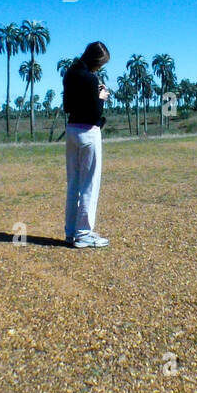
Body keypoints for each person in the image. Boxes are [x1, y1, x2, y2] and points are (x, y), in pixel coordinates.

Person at [60, 41, 111, 248]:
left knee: (73, 184)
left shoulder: (69, 75)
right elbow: (95, 112)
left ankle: (71, 232)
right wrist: (101, 97)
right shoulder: (91, 79)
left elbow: (67, 106)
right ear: (96, 61)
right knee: (89, 184)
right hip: (89, 132)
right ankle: (84, 234)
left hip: (72, 130)